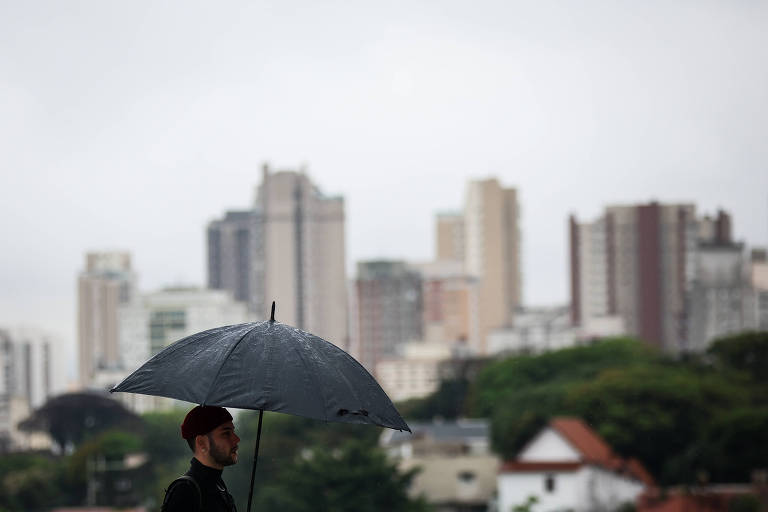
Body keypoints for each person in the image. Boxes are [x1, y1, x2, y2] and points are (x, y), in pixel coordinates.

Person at [162, 405, 240, 512]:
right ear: (202, 443)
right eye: (226, 433)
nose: (236, 439)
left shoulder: (218, 485)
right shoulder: (185, 491)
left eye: (233, 431)